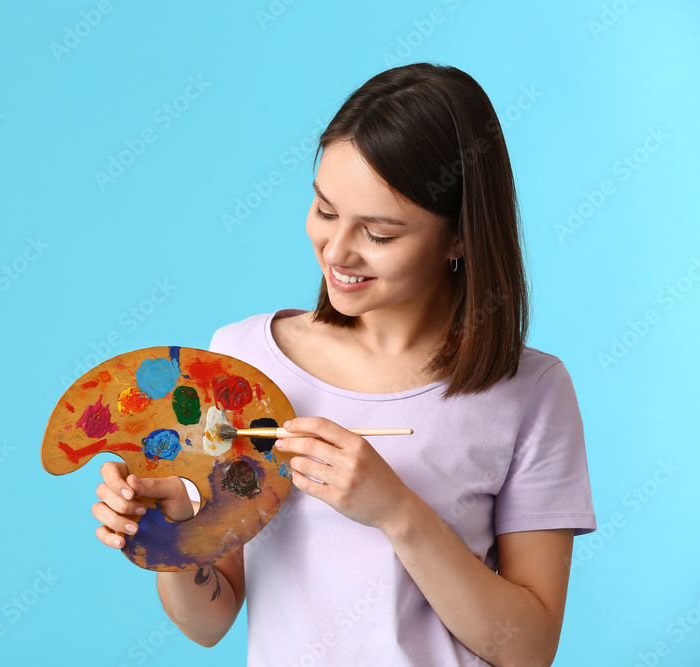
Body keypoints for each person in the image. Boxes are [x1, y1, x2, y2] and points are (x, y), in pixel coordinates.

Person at [91, 62, 596, 666]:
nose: (337, 251)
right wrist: (171, 536)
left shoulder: (531, 391)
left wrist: (396, 511)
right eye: (325, 211)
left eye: (380, 233)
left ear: (459, 236)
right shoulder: (241, 362)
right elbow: (210, 621)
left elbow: (530, 649)